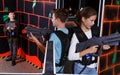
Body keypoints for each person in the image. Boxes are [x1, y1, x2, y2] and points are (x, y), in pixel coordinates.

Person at [68, 7, 110, 75]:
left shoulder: (95, 31)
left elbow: (95, 47)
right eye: (91, 20)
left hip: (93, 67)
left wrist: (102, 47)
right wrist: (88, 50)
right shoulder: (76, 35)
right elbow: (70, 57)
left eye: (94, 21)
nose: (93, 23)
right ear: (83, 19)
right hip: (81, 68)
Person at [49, 8, 69, 74]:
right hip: (62, 67)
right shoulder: (68, 32)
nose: (51, 20)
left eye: (53, 18)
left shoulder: (54, 35)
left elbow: (47, 53)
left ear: (58, 20)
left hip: (54, 69)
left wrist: (36, 40)